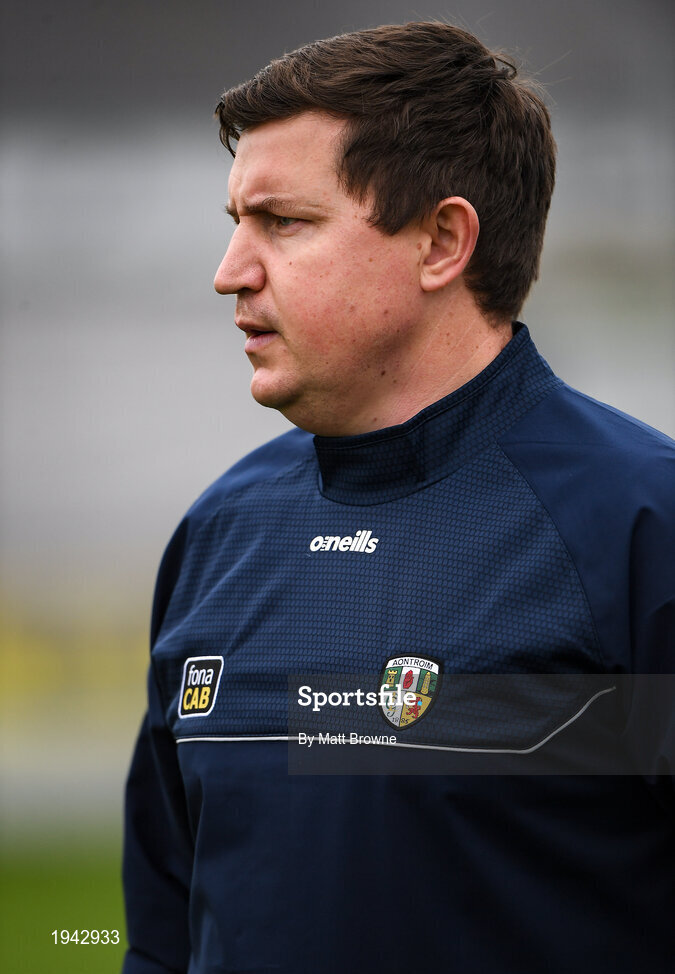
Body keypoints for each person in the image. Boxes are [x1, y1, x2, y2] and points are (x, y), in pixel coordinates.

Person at [122, 22, 674, 974]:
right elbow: (164, 938)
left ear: (440, 242)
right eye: (234, 224)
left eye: (282, 223)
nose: (230, 274)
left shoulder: (639, 527)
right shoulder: (221, 533)